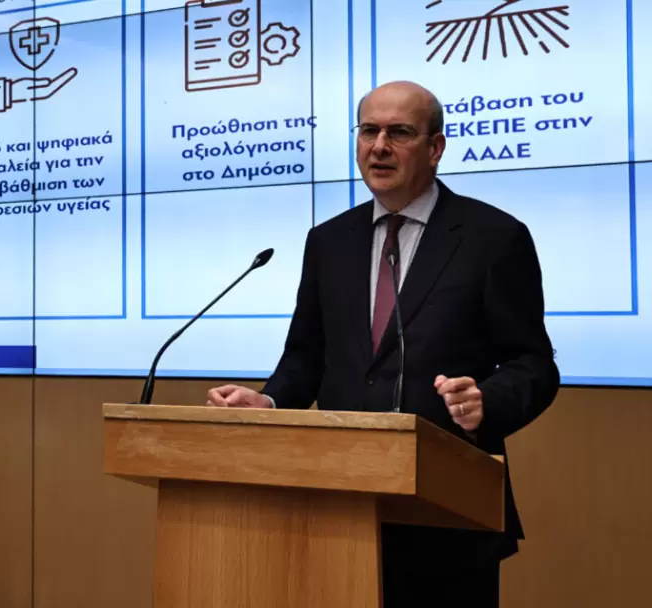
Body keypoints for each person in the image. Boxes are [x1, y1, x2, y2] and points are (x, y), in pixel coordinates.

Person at [206, 80, 560, 607]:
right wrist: (270, 400)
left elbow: (533, 364)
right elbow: (307, 356)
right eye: (368, 131)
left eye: (399, 133)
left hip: (447, 514)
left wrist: (486, 401)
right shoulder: (329, 241)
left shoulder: (492, 237)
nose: (379, 146)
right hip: (336, 502)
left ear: (435, 148)